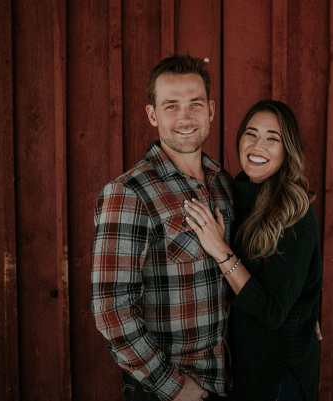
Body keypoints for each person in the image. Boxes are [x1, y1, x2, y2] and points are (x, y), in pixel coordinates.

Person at [92, 54, 234, 401]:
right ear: (152, 114)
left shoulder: (223, 184)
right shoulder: (129, 192)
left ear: (211, 110)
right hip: (170, 390)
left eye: (195, 104)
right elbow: (111, 308)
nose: (185, 117)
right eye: (171, 106)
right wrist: (172, 386)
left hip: (227, 379)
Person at [183, 100, 322, 401]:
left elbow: (273, 312)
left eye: (273, 138)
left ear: (288, 151)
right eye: (251, 133)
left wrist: (220, 250)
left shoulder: (295, 211)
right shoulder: (231, 194)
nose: (258, 146)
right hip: (239, 369)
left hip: (279, 375)